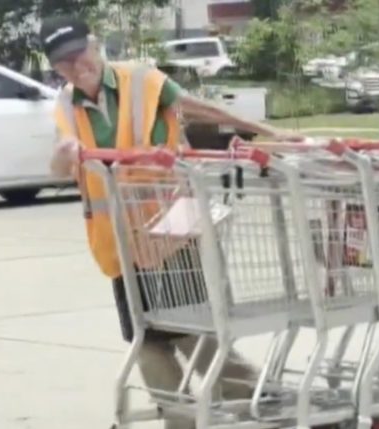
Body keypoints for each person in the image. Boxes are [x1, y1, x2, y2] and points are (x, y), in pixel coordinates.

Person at [40, 15, 299, 429]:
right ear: (55, 69)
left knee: (191, 330)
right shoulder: (66, 106)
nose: (75, 66)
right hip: (120, 243)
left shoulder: (140, 80)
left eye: (79, 54)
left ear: (94, 45)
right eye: (63, 63)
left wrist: (268, 132)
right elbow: (58, 166)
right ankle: (182, 419)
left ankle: (256, 394)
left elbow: (200, 107)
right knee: (145, 338)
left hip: (171, 229)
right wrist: (65, 152)